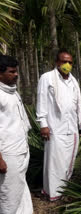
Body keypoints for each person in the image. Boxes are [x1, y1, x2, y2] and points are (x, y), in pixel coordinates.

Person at [36, 49, 81, 201]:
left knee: (67, 160)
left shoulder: (73, 80)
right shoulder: (47, 78)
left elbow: (79, 103)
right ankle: (52, 192)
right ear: (57, 63)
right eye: (64, 61)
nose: (67, 65)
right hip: (54, 127)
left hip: (71, 127)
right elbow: (41, 100)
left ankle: (63, 188)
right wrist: (43, 124)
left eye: (70, 62)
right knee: (53, 161)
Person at [0, 55, 33, 213]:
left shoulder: (12, 92)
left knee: (21, 192)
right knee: (9, 198)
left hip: (21, 151)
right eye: (11, 72)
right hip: (8, 155)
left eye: (16, 71)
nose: (16, 74)